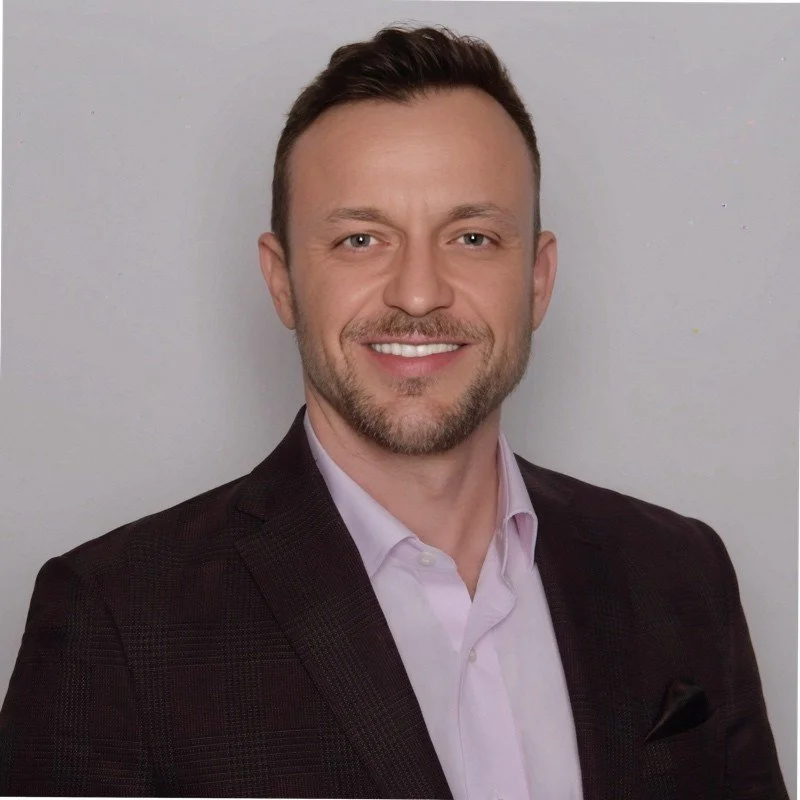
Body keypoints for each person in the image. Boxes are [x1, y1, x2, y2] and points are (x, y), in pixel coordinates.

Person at [0, 22, 787, 800]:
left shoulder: (680, 573)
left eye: (472, 237)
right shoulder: (118, 621)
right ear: (281, 282)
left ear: (538, 280)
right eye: (360, 240)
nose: (418, 294)